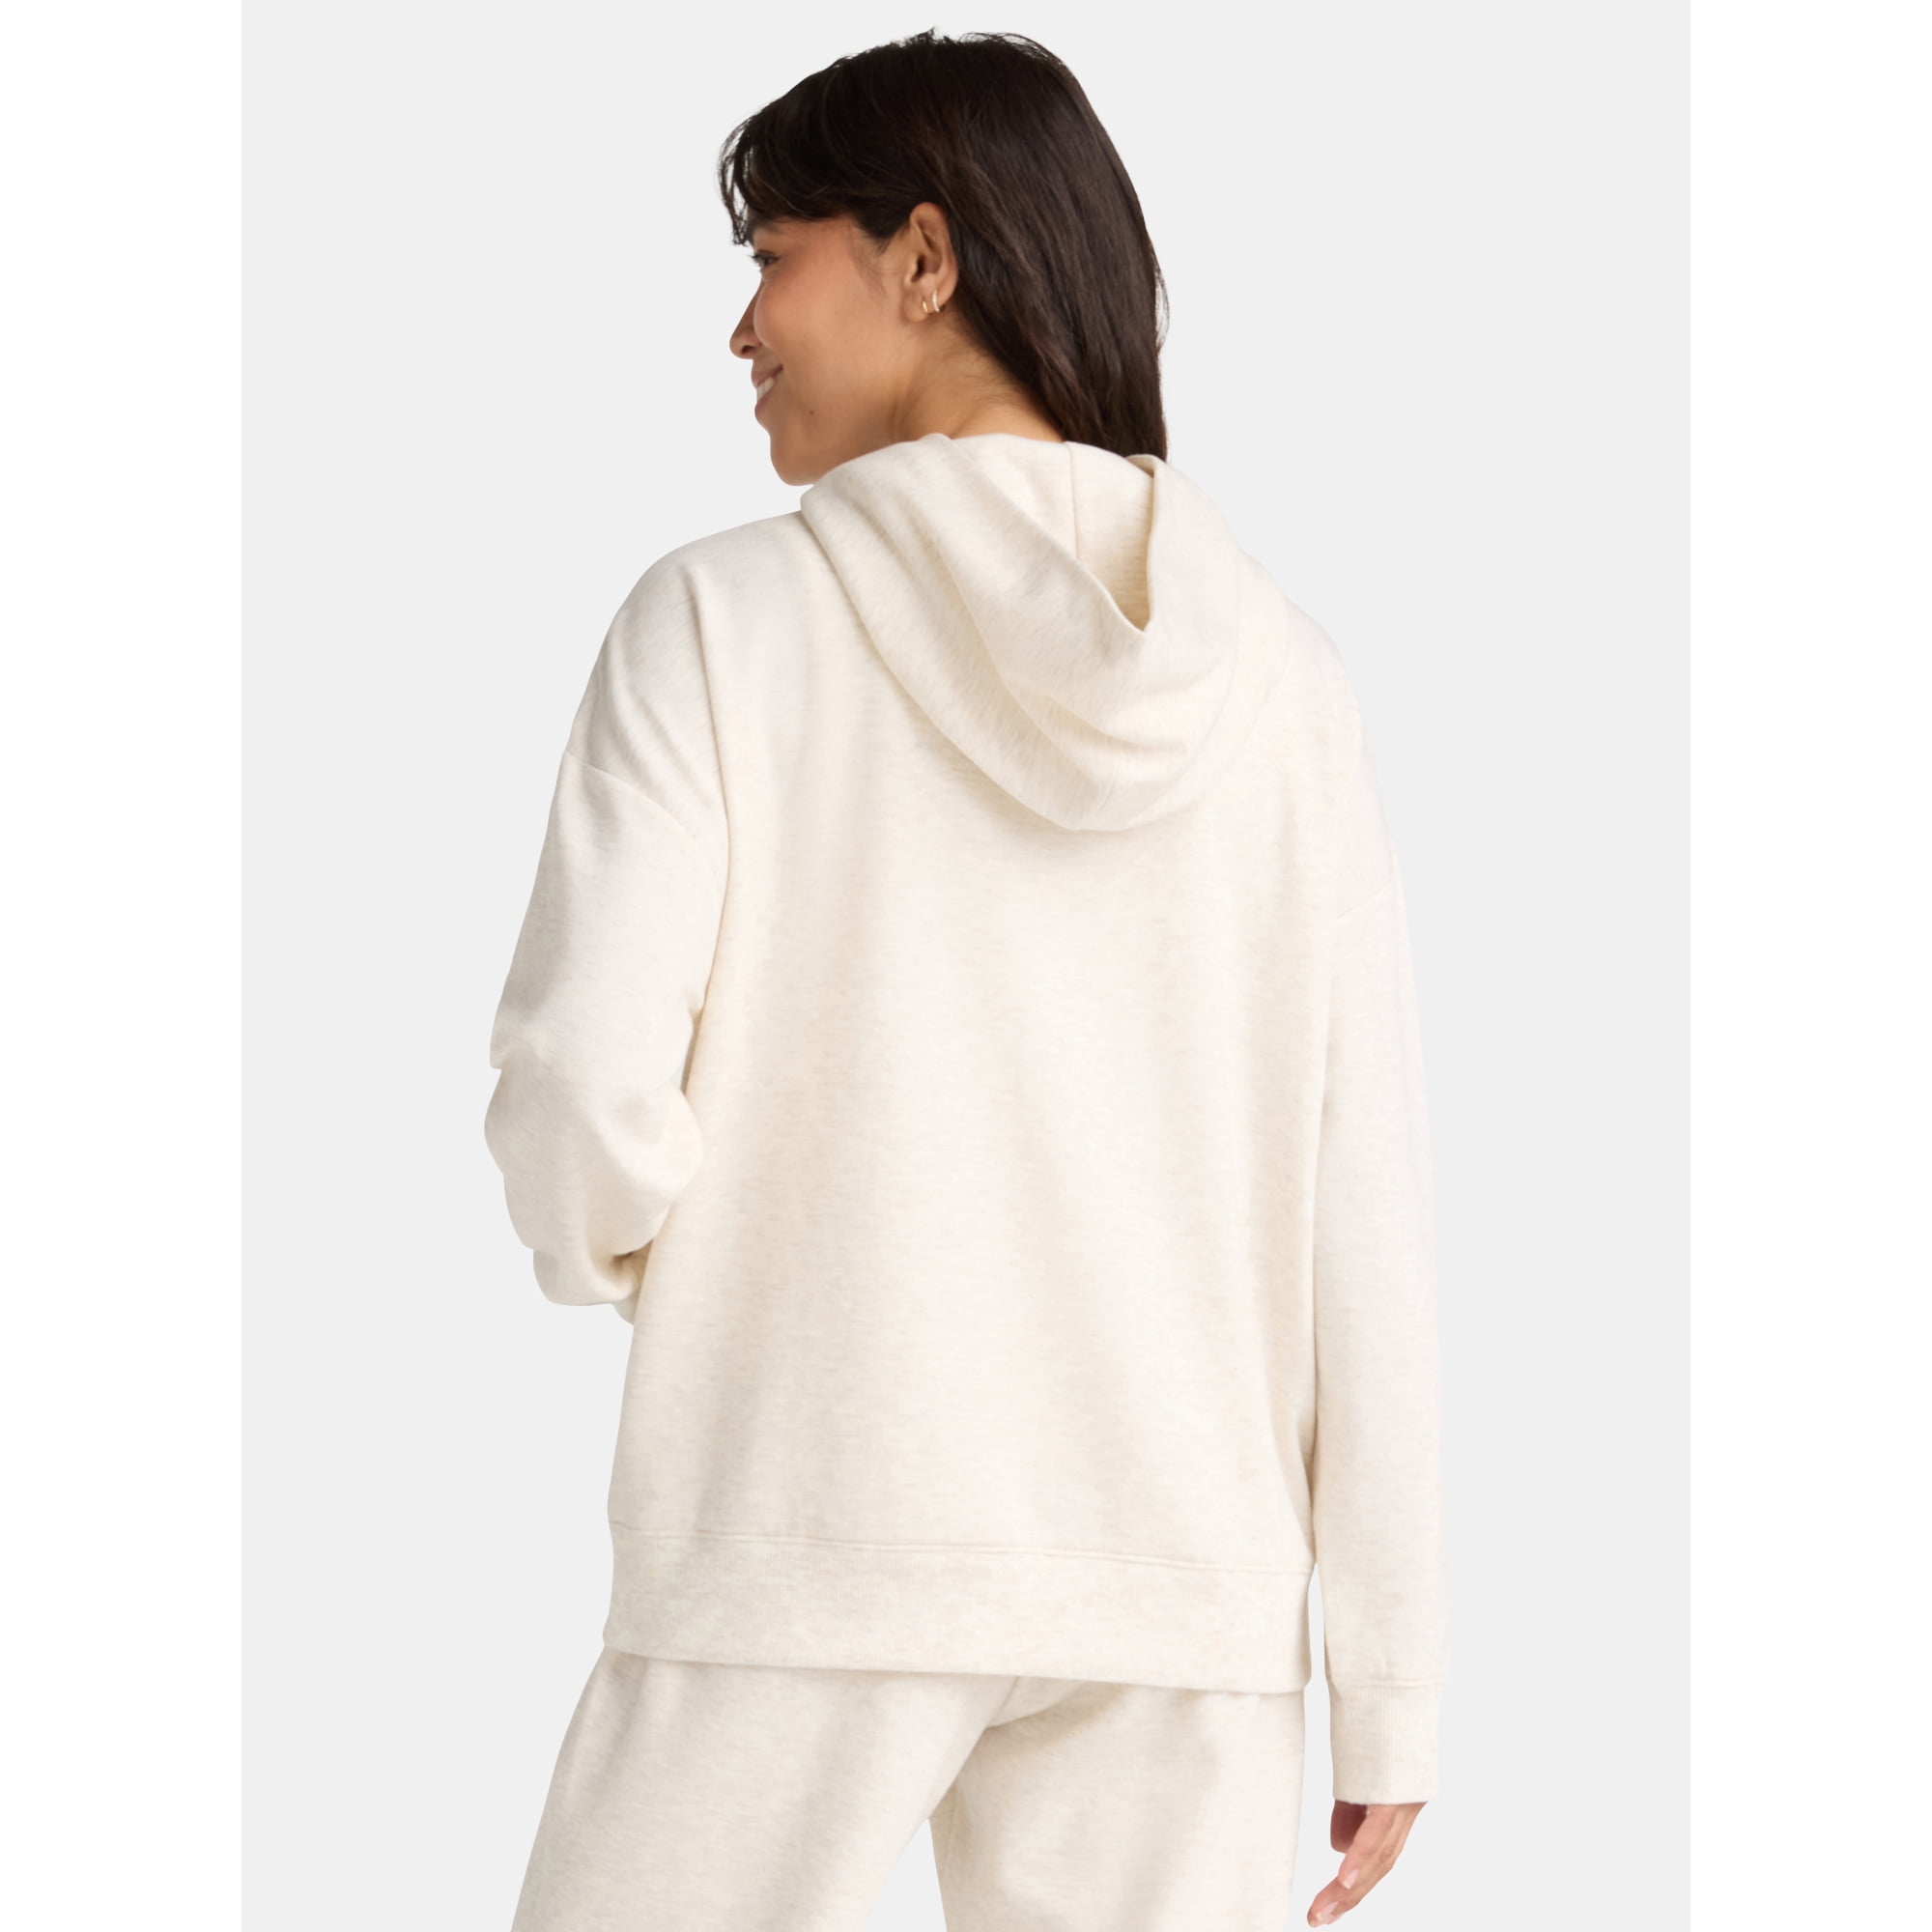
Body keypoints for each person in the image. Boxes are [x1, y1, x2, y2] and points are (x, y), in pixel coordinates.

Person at [484, 29, 1446, 1932]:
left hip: (803, 1522)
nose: (740, 329)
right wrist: (1392, 1674)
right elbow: (1363, 1207)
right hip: (1183, 1588)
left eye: (772, 259)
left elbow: (584, 1086)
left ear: (924, 258)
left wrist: (692, 1269)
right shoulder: (1287, 684)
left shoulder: (721, 622)